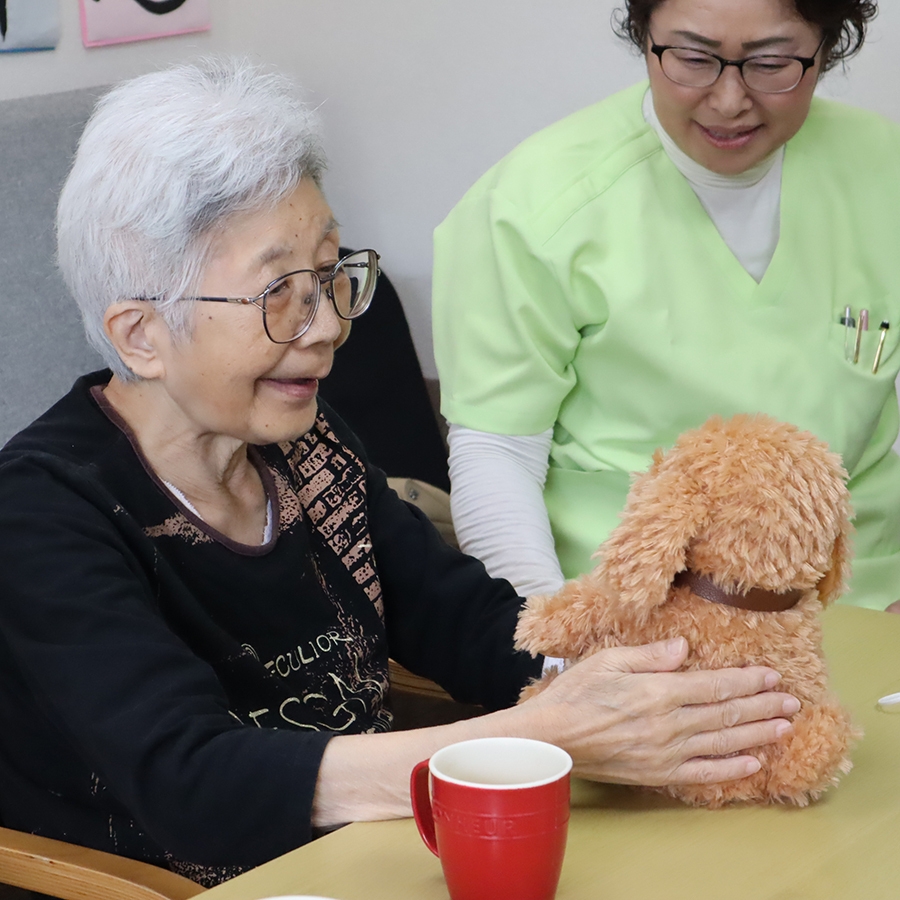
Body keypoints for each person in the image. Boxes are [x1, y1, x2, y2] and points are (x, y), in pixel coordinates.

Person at [0, 59, 799, 887]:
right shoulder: (40, 510)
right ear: (140, 335)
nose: (326, 327)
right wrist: (546, 736)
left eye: (330, 274)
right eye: (279, 292)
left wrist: (652, 676)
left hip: (366, 853)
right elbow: (192, 780)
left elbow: (470, 623)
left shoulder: (306, 449)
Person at [433, 0, 900, 613]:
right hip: (639, 616)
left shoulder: (882, 171)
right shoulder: (533, 208)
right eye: (693, 58)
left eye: (772, 63)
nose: (729, 99)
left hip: (866, 600)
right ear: (644, 36)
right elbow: (499, 453)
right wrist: (555, 654)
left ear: (827, 46)